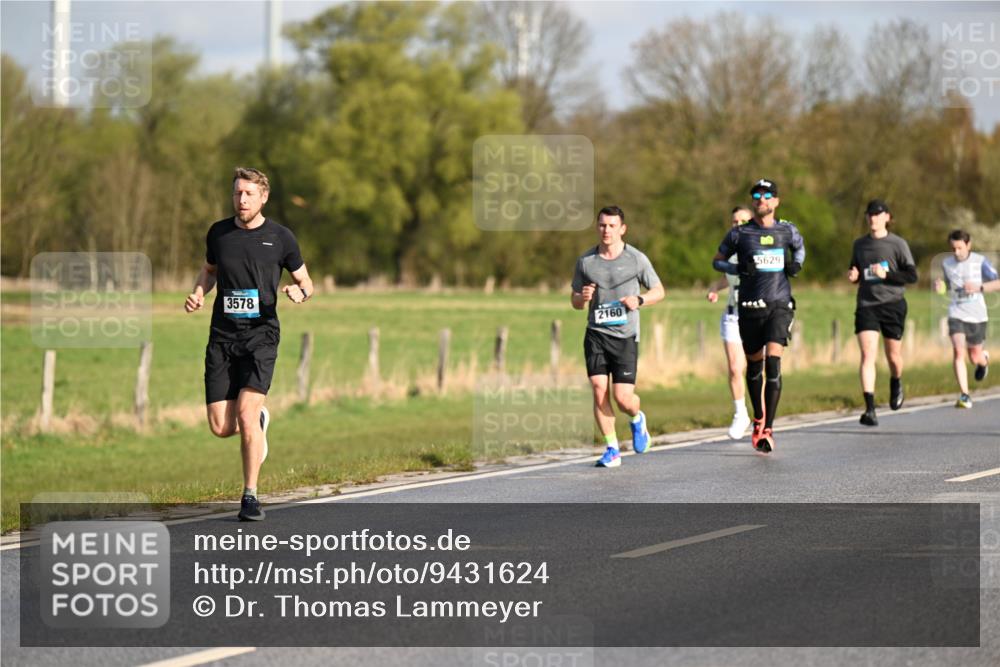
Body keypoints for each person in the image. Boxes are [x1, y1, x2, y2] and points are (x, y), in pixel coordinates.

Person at [185, 167, 314, 521]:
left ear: (263, 197)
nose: (242, 200)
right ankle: (258, 421)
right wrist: (198, 292)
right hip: (222, 337)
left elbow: (307, 282)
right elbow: (209, 272)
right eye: (237, 194)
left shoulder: (282, 238)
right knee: (221, 427)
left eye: (248, 194)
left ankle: (250, 497)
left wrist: (297, 293)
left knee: (242, 415)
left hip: (261, 336)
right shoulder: (219, 233)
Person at [711, 179, 805, 453]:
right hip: (749, 307)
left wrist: (795, 265)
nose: (761, 199)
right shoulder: (740, 234)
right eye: (756, 195)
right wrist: (738, 267)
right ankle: (758, 418)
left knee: (773, 364)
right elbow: (717, 260)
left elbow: (800, 248)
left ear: (776, 201)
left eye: (767, 195)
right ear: (753, 201)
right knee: (754, 368)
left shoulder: (787, 230)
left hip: (779, 305)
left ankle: (768, 429)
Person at [571, 206, 665, 468]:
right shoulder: (586, 261)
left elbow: (659, 291)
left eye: (612, 226)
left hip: (625, 336)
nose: (606, 230)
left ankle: (637, 419)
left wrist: (640, 299)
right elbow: (575, 301)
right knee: (599, 390)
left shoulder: (636, 259)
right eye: (602, 225)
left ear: (622, 229)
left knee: (623, 398)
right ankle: (612, 448)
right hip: (596, 334)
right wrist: (583, 298)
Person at [847, 199, 918, 426]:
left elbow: (912, 276)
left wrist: (887, 275)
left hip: (893, 304)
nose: (873, 218)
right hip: (867, 304)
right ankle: (869, 409)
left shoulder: (898, 244)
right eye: (870, 214)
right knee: (868, 355)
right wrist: (853, 276)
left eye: (877, 214)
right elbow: (855, 270)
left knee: (893, 357)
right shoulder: (859, 244)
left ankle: (896, 380)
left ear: (887, 217)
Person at [935, 229, 999, 408]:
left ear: (968, 245)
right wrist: (940, 286)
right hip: (956, 312)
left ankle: (983, 361)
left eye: (960, 248)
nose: (956, 252)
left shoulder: (980, 262)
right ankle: (964, 395)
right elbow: (948, 287)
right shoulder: (947, 263)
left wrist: (979, 287)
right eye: (953, 248)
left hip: (977, 314)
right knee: (958, 351)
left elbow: (998, 282)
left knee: (974, 356)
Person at [706, 206, 753, 439]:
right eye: (735, 221)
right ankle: (740, 413)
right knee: (735, 367)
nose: (738, 225)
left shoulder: (760, 245)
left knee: (756, 368)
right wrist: (715, 288)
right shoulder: (729, 250)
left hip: (757, 314)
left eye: (743, 221)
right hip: (733, 314)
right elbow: (728, 277)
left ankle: (762, 415)